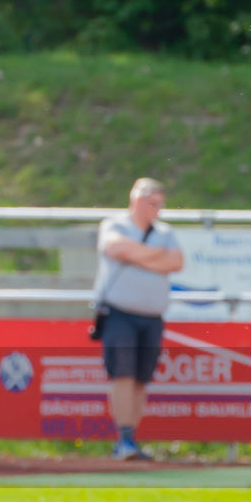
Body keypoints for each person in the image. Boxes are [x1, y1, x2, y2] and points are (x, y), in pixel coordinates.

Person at [94, 178, 184, 460]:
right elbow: (116, 249)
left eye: (161, 204)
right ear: (137, 201)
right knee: (122, 374)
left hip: (152, 317)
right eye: (153, 204)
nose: (158, 210)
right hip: (119, 313)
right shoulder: (115, 224)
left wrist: (138, 256)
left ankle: (131, 437)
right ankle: (124, 439)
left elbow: (177, 262)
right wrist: (156, 257)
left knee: (142, 378)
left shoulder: (165, 232)